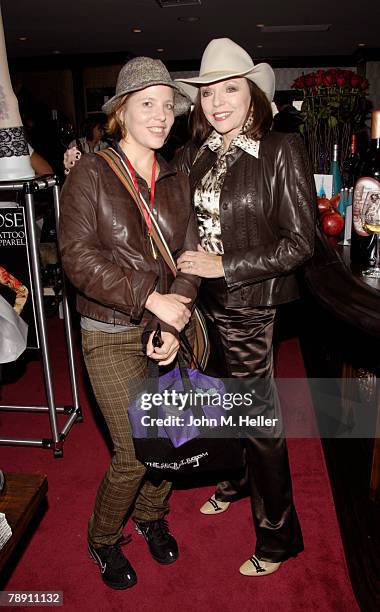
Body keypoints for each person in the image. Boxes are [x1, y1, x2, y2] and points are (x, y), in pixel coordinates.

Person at [175, 38, 316, 577]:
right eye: (208, 92)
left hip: (251, 305)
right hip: (204, 306)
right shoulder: (195, 155)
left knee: (260, 422)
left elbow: (300, 244)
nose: (216, 102)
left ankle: (280, 536)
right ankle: (234, 482)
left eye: (229, 89)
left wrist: (225, 264)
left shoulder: (282, 150)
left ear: (253, 94)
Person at [59, 57, 199, 590]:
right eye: (148, 104)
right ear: (121, 110)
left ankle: (150, 515)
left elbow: (190, 255)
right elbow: (77, 260)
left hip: (166, 325)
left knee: (170, 438)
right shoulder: (90, 174)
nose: (161, 115)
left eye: (168, 106)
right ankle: (102, 537)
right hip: (109, 331)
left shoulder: (178, 179)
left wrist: (176, 311)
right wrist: (150, 298)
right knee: (135, 448)